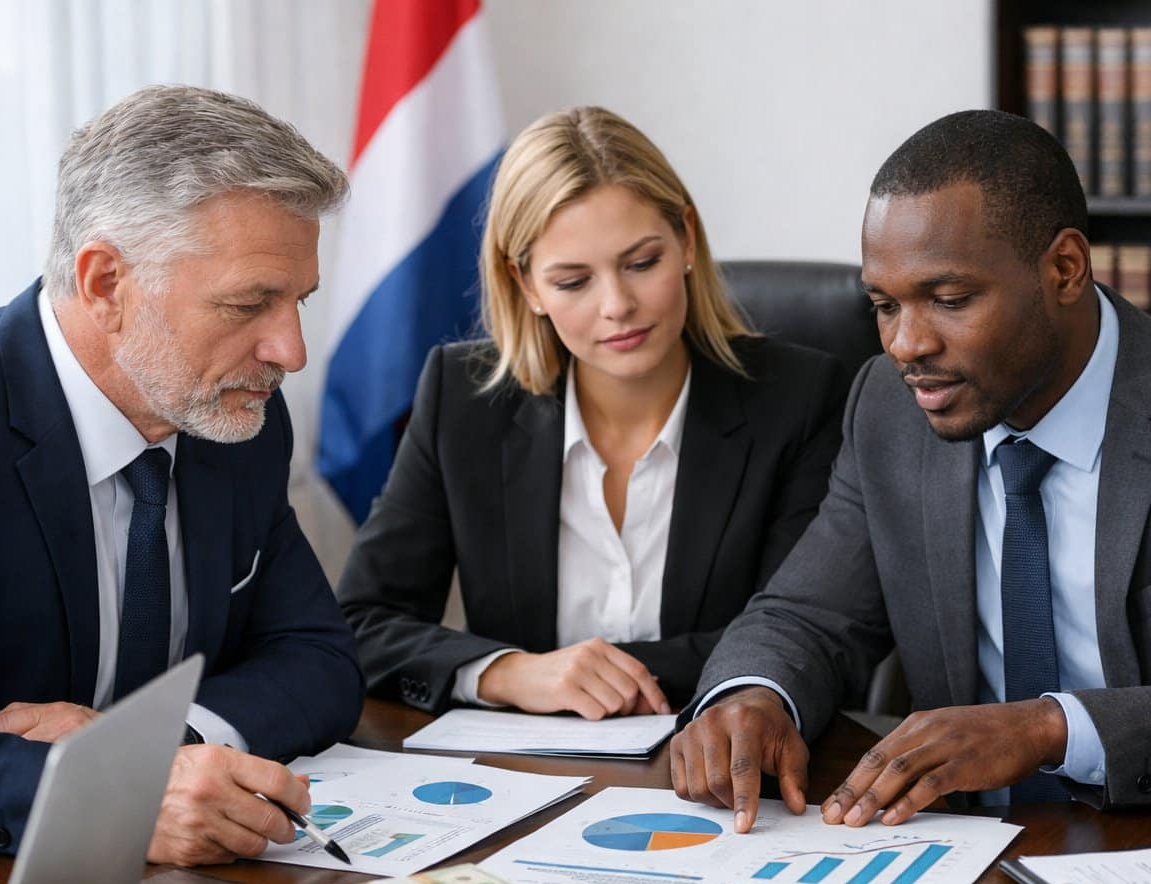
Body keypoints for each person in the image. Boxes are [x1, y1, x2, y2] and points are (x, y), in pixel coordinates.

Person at [670, 109, 1151, 832]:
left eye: (950, 300)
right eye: (883, 305)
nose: (905, 344)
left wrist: (1047, 730)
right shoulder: (888, 410)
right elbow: (809, 614)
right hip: (957, 857)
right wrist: (751, 695)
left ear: (1064, 269)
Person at [337, 106, 848, 720]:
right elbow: (362, 623)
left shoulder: (800, 397)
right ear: (526, 286)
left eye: (641, 263)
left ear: (686, 238)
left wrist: (588, 676)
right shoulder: (462, 399)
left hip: (718, 768)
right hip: (523, 781)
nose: (617, 306)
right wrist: (510, 672)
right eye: (574, 281)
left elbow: (808, 635)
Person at [0, 86, 365, 865]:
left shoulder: (238, 418)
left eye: (298, 301)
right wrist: (105, 793)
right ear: (105, 285)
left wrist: (165, 751)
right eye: (248, 304)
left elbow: (319, 660)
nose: (290, 352)